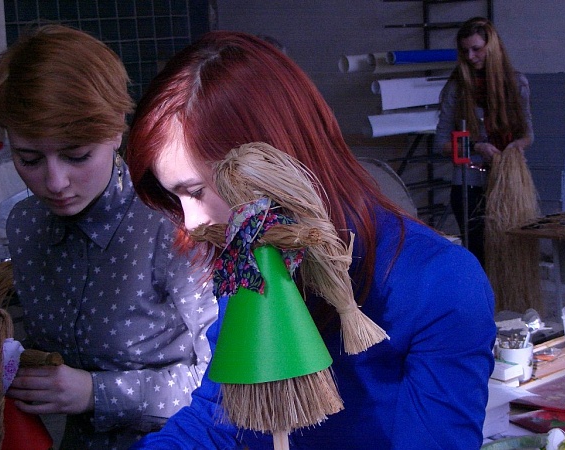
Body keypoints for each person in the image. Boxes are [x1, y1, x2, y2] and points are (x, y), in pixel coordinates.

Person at [125, 31, 496, 449]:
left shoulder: (440, 283)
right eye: (175, 198)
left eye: (195, 191)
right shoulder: (255, 260)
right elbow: (219, 420)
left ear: (268, 160)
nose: (191, 223)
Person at [0, 25, 217, 449]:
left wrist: (96, 392)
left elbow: (226, 384)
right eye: (30, 159)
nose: (55, 182)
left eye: (77, 155)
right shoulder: (25, 226)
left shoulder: (171, 223)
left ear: (117, 131)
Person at [434, 16, 534, 266]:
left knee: (509, 254)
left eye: (476, 49)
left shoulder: (517, 84)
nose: (470, 56)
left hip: (507, 182)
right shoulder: (457, 88)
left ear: (492, 46)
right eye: (465, 51)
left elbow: (528, 135)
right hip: (469, 184)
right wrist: (476, 147)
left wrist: (514, 148)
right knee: (478, 253)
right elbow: (441, 142)